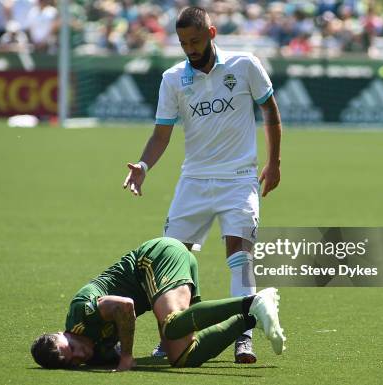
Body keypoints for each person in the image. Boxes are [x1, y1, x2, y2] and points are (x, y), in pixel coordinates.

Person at [122, 6, 282, 363]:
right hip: (193, 181)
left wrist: (275, 162)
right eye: (182, 43)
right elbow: (161, 134)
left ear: (211, 34)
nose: (189, 48)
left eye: (194, 40)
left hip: (239, 180)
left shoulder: (245, 65)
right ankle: (172, 336)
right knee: (171, 262)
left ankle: (243, 337)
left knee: (240, 257)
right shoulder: (172, 79)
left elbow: (270, 109)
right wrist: (144, 165)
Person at [30, 237, 286, 371]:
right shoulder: (92, 355)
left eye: (71, 347)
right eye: (72, 361)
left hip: (155, 258)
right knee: (183, 357)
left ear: (63, 333)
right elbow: (110, 352)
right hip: (159, 284)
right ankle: (251, 318)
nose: (79, 355)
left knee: (172, 326)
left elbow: (125, 305)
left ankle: (252, 301)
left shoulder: (80, 312)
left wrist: (127, 357)